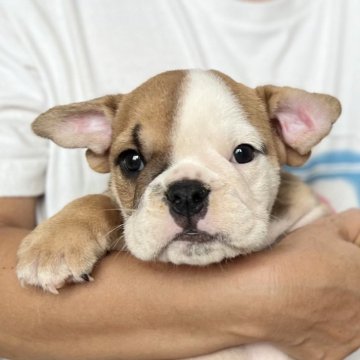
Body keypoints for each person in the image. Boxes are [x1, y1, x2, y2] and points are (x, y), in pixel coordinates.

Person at [0, 0, 359, 359]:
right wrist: (266, 296)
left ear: (290, 129)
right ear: (99, 143)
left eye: (241, 154)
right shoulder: (35, 17)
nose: (186, 198)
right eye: (135, 159)